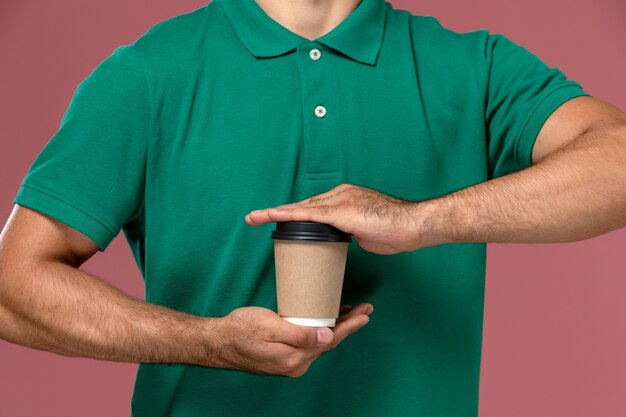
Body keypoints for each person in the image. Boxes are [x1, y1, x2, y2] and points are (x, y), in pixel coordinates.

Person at [0, 0, 624, 416]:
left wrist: (420, 219)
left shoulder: (474, 66)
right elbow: (12, 286)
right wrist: (211, 343)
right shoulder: (147, 74)